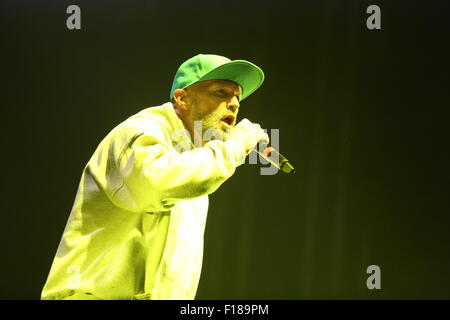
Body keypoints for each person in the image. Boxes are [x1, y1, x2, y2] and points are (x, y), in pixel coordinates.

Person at [41, 54, 269, 300]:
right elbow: (157, 184)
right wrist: (233, 148)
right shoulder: (140, 132)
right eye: (221, 93)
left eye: (237, 96)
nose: (234, 103)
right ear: (183, 98)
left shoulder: (193, 159)